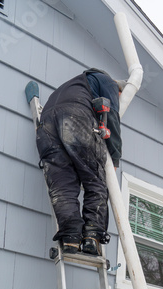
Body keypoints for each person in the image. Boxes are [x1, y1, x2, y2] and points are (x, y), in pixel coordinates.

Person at [36, 68, 125, 255]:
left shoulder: (71, 86)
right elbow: (113, 119)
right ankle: (92, 236)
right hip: (74, 118)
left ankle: (70, 238)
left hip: (45, 126)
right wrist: (115, 157)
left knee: (62, 186)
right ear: (119, 90)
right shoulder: (107, 81)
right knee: (95, 179)